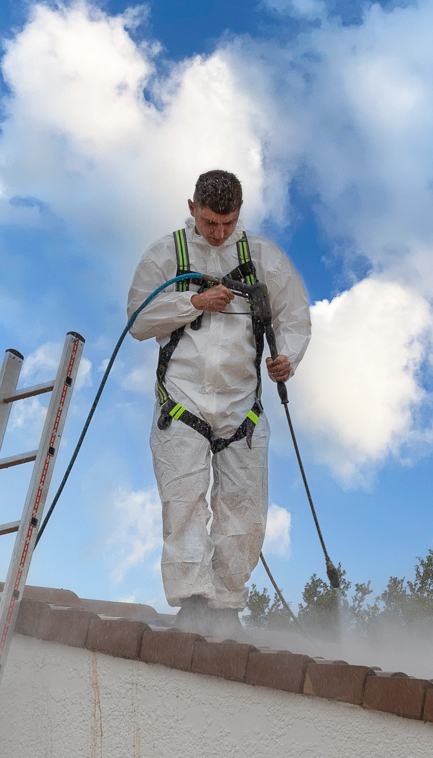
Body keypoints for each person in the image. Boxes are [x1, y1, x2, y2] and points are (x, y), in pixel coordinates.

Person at [126, 170, 311, 639]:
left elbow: (295, 316)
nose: (219, 233)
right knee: (183, 502)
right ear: (192, 208)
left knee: (244, 511)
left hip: (241, 407)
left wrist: (286, 356)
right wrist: (194, 301)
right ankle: (193, 601)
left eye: (227, 223)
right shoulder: (166, 254)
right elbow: (138, 319)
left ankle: (227, 606)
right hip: (182, 400)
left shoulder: (263, 257)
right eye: (210, 221)